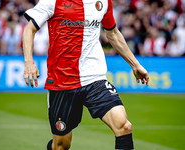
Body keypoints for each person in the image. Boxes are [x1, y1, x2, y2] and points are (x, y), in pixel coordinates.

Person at [22, 0, 149, 150]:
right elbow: (29, 30)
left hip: (95, 77)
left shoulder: (103, 2)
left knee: (123, 126)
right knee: (61, 145)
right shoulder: (53, 1)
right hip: (63, 81)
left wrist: (135, 64)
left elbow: (113, 33)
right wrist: (29, 63)